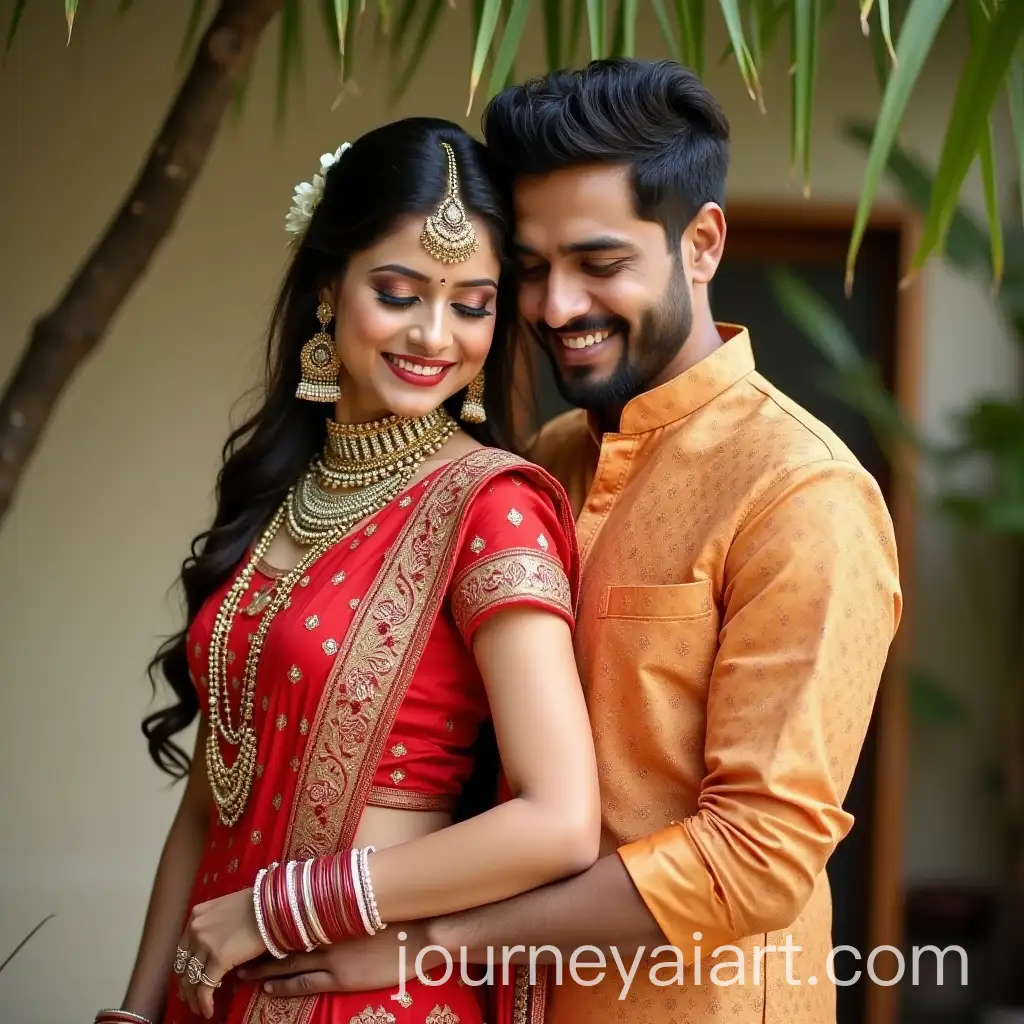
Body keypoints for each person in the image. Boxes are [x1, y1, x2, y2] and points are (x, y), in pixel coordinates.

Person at [242, 60, 904, 1024]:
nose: (555, 309)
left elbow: (756, 857)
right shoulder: (547, 460)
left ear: (702, 243)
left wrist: (424, 944)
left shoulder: (803, 494)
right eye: (530, 271)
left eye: (599, 265)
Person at [94, 117, 602, 1024]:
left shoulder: (490, 505)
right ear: (330, 286)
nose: (434, 335)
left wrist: (280, 908)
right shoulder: (282, 492)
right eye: (400, 293)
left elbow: (562, 820)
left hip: (372, 997)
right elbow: (209, 803)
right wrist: (134, 1011)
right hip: (209, 992)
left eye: (472, 303)